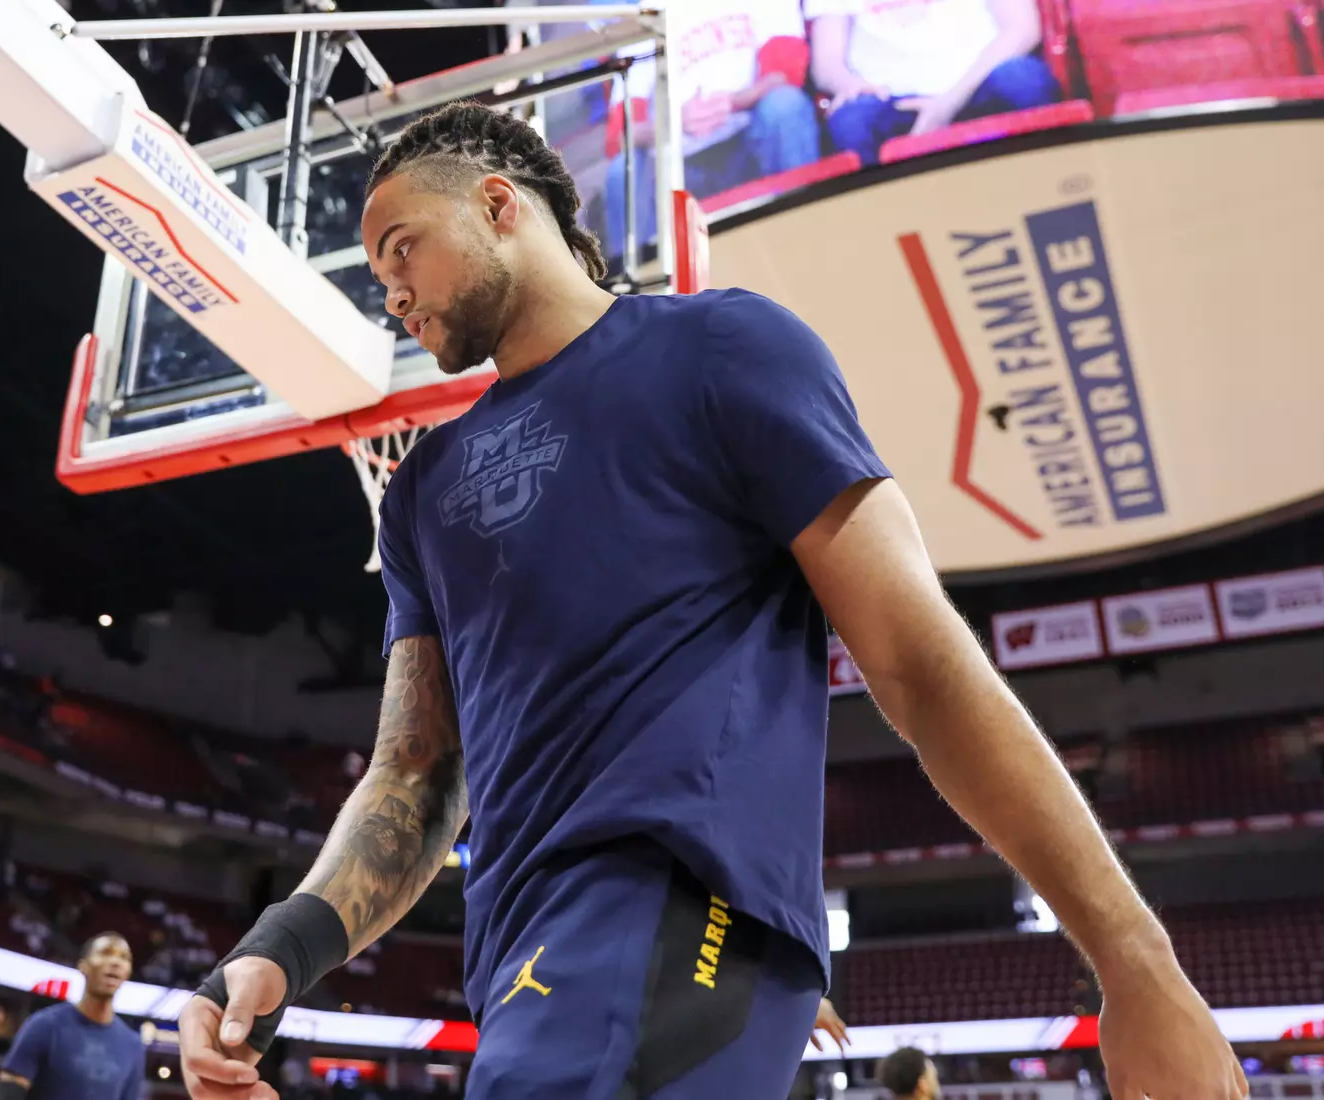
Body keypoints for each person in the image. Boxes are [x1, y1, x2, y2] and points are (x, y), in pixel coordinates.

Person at [178, 102, 1245, 1100]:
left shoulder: (724, 349)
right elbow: (416, 772)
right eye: (376, 273)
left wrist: (1134, 957)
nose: (391, 291)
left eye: (402, 246)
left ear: (501, 204)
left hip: (676, 905)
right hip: (524, 955)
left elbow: (921, 660)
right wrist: (285, 942)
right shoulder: (419, 490)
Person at [604, 0, 820, 257]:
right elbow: (621, 133)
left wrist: (732, 102)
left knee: (785, 106)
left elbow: (785, 74)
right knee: (622, 171)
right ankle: (644, 290)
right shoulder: (647, 14)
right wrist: (675, 122)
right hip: (680, 163)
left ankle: (808, 235)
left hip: (751, 133)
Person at [806, 0, 1063, 165]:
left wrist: (948, 102)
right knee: (851, 121)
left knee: (1024, 81)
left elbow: (1022, 29)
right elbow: (827, 62)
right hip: (892, 102)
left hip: (978, 84)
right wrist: (848, 84)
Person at [0, 933, 144, 1100]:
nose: (115, 962)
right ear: (83, 966)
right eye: (105, 953)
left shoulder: (133, 1045)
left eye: (124, 958)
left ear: (128, 972)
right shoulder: (44, 1026)